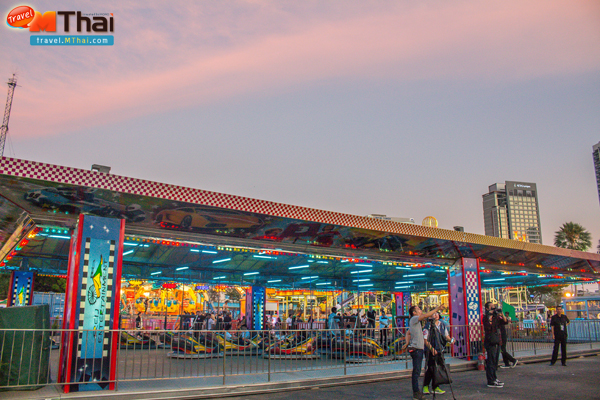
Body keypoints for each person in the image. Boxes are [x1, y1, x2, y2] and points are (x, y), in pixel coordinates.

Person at [406, 303, 443, 400]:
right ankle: (416, 392)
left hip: (418, 349)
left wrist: (406, 343)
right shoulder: (414, 319)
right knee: (416, 371)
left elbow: (408, 332)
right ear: (414, 312)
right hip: (417, 349)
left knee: (417, 371)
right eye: (418, 309)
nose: (420, 310)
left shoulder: (416, 322)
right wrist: (437, 309)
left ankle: (417, 392)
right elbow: (425, 315)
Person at [482, 302, 504, 388]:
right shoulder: (486, 317)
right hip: (490, 341)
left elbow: (504, 322)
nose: (493, 308)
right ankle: (490, 380)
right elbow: (488, 327)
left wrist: (501, 314)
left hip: (497, 340)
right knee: (490, 361)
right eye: (491, 307)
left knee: (495, 361)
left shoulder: (496, 317)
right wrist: (490, 316)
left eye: (494, 306)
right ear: (487, 309)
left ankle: (494, 378)